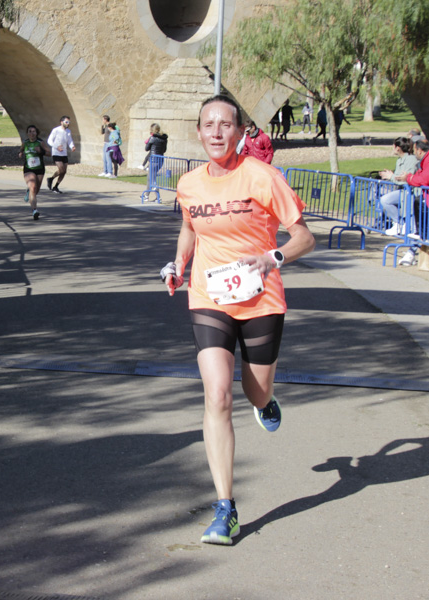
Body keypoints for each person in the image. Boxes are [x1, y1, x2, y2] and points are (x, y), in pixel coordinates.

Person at [160, 94, 315, 545]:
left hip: (261, 299)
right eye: (208, 124)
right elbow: (190, 226)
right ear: (198, 131)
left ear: (240, 130)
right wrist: (178, 264)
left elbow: (304, 236)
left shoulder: (263, 177)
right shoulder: (189, 184)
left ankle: (265, 401)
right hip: (209, 296)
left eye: (225, 124)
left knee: (254, 389)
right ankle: (225, 507)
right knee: (218, 397)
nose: (216, 132)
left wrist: (273, 257)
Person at [377, 137, 421, 265]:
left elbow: (405, 178)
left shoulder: (411, 160)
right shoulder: (399, 160)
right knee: (385, 200)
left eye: (393, 145)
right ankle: (398, 223)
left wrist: (391, 177)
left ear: (398, 147)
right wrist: (390, 176)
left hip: (411, 194)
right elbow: (398, 178)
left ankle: (411, 252)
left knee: (412, 226)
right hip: (402, 193)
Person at [19, 125, 50, 220]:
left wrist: (41, 151)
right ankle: (34, 210)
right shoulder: (25, 142)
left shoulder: (40, 143)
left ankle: (29, 192)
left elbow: (49, 153)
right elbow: (21, 150)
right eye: (30, 131)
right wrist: (20, 153)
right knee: (33, 186)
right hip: (28, 168)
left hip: (39, 169)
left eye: (34, 132)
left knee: (36, 190)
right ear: (27, 133)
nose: (32, 133)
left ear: (36, 133)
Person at [46, 115, 75, 193]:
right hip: (56, 152)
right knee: (61, 169)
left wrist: (72, 146)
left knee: (64, 171)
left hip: (64, 153)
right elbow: (49, 140)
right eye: (66, 122)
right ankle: (51, 179)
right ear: (61, 122)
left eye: (69, 122)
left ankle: (55, 186)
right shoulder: (56, 130)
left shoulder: (68, 131)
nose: (68, 123)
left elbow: (70, 140)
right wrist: (56, 147)